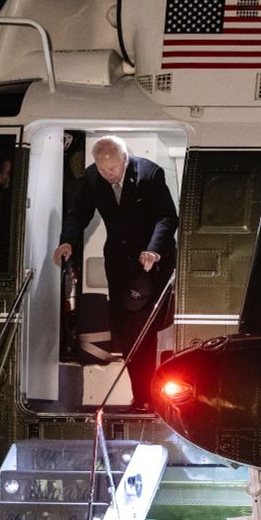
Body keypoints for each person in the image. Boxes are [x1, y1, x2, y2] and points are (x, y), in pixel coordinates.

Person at [53, 136, 178, 413]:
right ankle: (144, 397)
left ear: (124, 159)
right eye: (102, 169)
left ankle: (148, 397)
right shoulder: (92, 177)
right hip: (119, 263)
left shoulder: (150, 174)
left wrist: (153, 250)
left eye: (112, 168)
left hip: (151, 262)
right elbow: (78, 214)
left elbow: (167, 217)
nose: (107, 174)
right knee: (125, 328)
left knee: (144, 329)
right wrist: (67, 241)